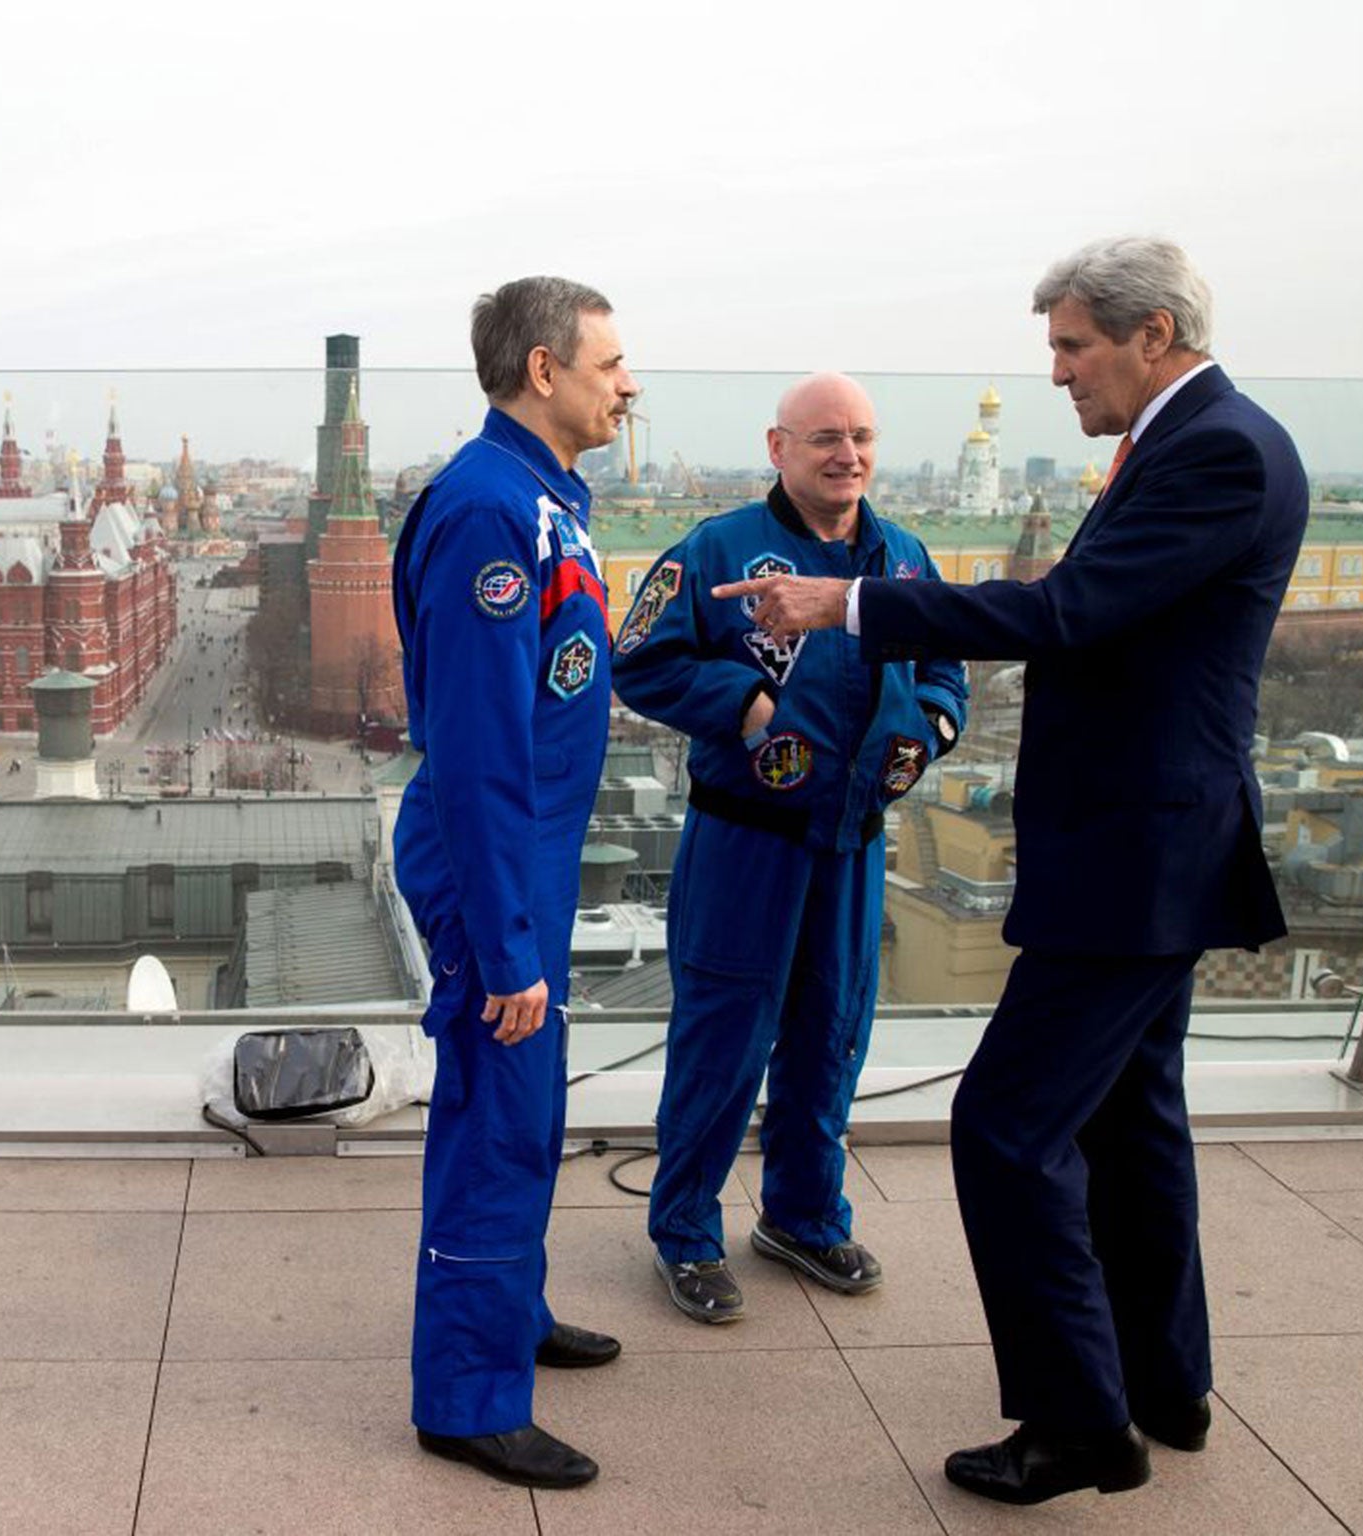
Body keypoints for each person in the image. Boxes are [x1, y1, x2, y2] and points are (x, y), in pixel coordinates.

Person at [725, 237, 1305, 1505]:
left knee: (1002, 1127)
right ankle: (1162, 1382)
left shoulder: (1213, 448)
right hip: (1144, 846)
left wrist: (849, 607)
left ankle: (1077, 1423)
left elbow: (1065, 614)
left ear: (1151, 335)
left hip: (1132, 851)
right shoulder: (1204, 439)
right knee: (1129, 1120)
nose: (1054, 373)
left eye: (1070, 345)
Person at [611, 373, 967, 1324]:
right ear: (778, 449)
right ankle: (685, 1234)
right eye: (823, 439)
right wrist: (747, 704)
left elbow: (947, 670)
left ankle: (803, 1217)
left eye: (861, 437)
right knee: (724, 1040)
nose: (846, 455)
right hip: (746, 845)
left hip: (853, 844)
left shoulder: (903, 555)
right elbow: (639, 660)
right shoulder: (718, 551)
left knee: (830, 1037)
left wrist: (927, 728)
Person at [392, 275, 639, 1490]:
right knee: (496, 1122)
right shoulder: (491, 513)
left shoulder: (540, 498)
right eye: (608, 363)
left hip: (524, 856)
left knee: (529, 1110)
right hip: (489, 859)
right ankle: (468, 1397)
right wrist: (505, 948)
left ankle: (511, 1311)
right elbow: (480, 750)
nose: (625, 383)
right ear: (542, 371)